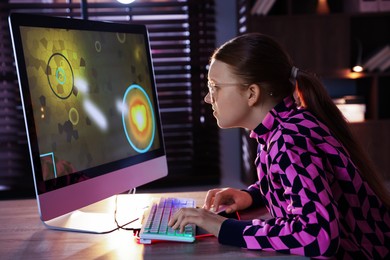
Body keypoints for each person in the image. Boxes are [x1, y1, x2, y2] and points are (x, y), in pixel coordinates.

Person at [168, 33, 390, 259]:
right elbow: (307, 185)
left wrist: (223, 227)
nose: (208, 98)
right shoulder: (285, 127)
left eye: (215, 87)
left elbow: (318, 236)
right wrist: (255, 196)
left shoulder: (287, 140)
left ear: (252, 93)